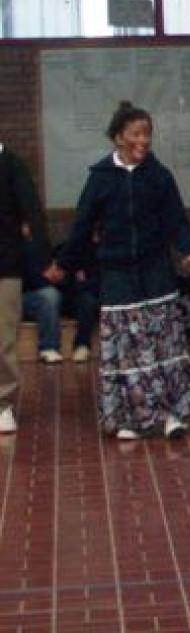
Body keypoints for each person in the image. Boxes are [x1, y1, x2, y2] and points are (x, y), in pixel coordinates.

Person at [56, 103, 190, 440]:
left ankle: (169, 415)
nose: (143, 141)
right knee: (126, 347)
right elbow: (82, 225)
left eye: (147, 134)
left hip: (155, 271)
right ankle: (127, 418)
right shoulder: (100, 178)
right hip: (117, 274)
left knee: (161, 342)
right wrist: (64, 264)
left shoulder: (159, 175)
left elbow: (176, 219)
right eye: (136, 134)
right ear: (118, 136)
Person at [0, 140, 53, 434]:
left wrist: (45, 257)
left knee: (2, 336)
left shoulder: (11, 165)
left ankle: (2, 404)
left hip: (4, 266)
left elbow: (33, 211)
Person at [21, 235, 62, 363]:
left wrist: (53, 276)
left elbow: (34, 279)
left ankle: (48, 347)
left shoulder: (28, 246)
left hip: (25, 296)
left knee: (50, 295)